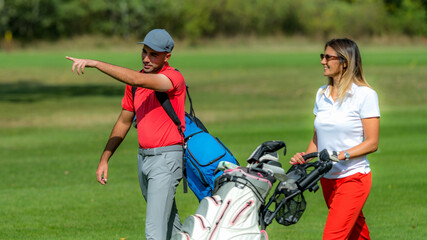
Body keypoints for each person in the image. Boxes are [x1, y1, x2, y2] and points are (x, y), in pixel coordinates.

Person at [66, 29, 186, 240]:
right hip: (144, 159)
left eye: (154, 54)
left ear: (167, 57)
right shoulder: (134, 87)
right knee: (170, 226)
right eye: (144, 52)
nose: (146, 58)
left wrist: (96, 63)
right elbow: (123, 122)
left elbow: (137, 79)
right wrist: (105, 158)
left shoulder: (172, 78)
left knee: (154, 231)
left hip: (167, 160)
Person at [290, 38, 380, 240]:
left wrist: (342, 154)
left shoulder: (365, 95)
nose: (323, 61)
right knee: (357, 234)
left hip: (353, 177)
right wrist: (305, 157)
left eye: (328, 57)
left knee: (333, 236)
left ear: (344, 62)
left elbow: (372, 142)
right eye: (323, 56)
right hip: (327, 178)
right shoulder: (321, 94)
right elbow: (317, 137)